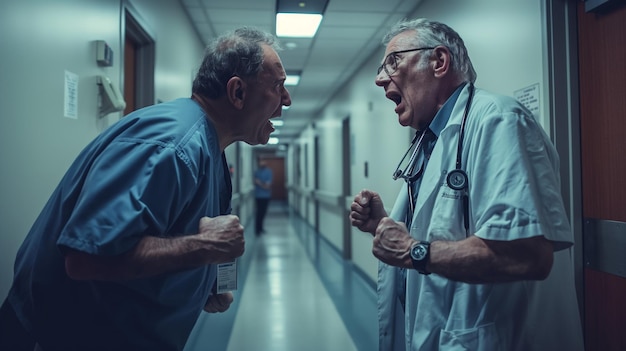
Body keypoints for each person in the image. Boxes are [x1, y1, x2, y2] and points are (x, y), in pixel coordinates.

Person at [0, 27, 291, 351]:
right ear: (237, 93)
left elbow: (170, 229)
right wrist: (204, 246)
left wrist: (205, 282)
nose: (286, 101)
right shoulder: (172, 145)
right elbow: (85, 258)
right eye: (279, 87)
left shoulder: (209, 148)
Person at [349, 18, 583, 351]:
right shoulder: (429, 140)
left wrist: (412, 251)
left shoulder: (498, 120)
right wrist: (384, 226)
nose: (379, 78)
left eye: (393, 62)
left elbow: (528, 254)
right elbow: (446, 227)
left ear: (439, 62)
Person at [254, 158, 273, 235]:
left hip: (266, 196)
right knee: (259, 213)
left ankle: (261, 228)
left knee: (263, 213)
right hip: (258, 196)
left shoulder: (269, 172)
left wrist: (260, 183)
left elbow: (267, 186)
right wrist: (262, 184)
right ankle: (257, 229)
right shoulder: (257, 172)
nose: (262, 163)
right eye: (260, 161)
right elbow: (257, 182)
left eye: (263, 161)